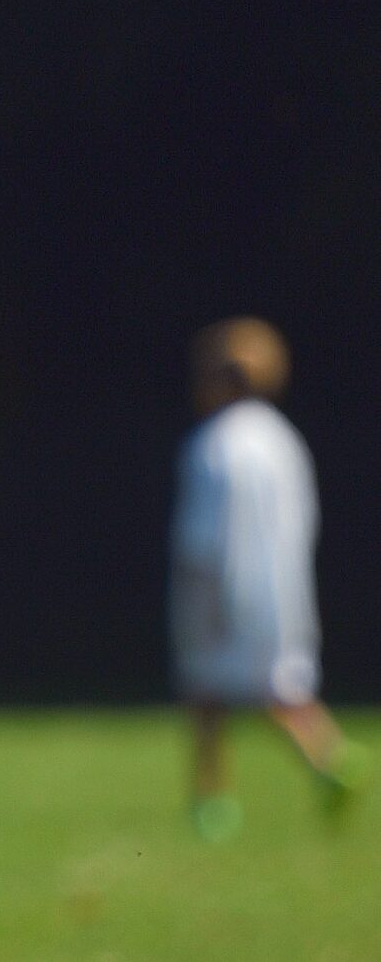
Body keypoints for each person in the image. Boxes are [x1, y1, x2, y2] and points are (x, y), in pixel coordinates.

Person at [171, 318, 367, 839]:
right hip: (283, 588)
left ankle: (213, 804)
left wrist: (199, 592)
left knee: (214, 694)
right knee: (282, 684)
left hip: (222, 590)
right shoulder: (284, 441)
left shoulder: (214, 444)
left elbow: (202, 535)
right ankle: (329, 758)